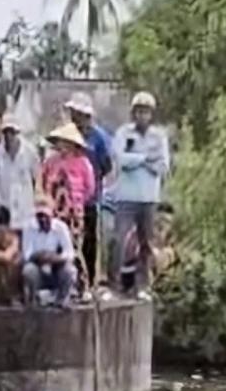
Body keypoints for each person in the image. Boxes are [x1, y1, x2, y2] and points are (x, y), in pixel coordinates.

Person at [111, 92, 171, 297]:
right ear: (133, 113)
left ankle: (142, 285)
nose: (141, 115)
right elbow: (120, 160)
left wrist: (136, 160)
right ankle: (116, 285)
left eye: (145, 111)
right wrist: (145, 159)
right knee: (120, 240)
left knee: (146, 243)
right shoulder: (123, 133)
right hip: (126, 196)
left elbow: (162, 166)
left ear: (151, 114)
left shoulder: (159, 136)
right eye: (138, 111)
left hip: (148, 197)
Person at [66, 95, 113, 283]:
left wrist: (94, 177)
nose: (74, 118)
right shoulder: (67, 135)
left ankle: (89, 279)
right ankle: (73, 279)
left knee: (89, 239)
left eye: (77, 114)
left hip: (90, 197)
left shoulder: (98, 137)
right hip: (68, 200)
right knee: (70, 240)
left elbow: (106, 164)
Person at [41, 123, 96, 253]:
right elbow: (42, 181)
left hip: (73, 212)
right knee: (52, 244)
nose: (64, 146)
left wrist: (76, 200)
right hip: (53, 210)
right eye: (62, 142)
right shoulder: (50, 161)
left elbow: (90, 188)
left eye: (67, 143)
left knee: (72, 246)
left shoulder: (83, 162)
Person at [20, 203, 78, 307]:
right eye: (39, 216)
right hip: (38, 265)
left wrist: (56, 259)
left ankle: (61, 301)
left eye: (45, 216)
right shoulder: (29, 227)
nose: (42, 219)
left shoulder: (61, 227)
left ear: (52, 216)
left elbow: (69, 253)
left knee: (70, 271)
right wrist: (41, 257)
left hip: (56, 266)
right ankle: (34, 300)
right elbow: (27, 254)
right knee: (28, 270)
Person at [0, 119, 40, 231]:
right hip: (5, 206)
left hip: (25, 207)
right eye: (6, 132)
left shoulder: (30, 151)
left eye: (12, 132)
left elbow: (37, 178)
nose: (9, 136)